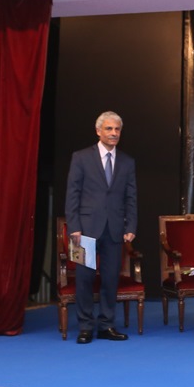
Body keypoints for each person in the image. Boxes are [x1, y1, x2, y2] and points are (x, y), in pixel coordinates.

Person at [64, 111, 138, 344]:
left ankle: (106, 325)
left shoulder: (127, 161)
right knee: (84, 279)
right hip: (82, 230)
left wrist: (131, 225)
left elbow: (131, 197)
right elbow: (72, 194)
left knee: (109, 280)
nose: (114, 133)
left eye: (117, 129)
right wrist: (73, 226)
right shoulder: (81, 157)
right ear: (98, 131)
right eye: (109, 129)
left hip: (115, 230)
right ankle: (85, 327)